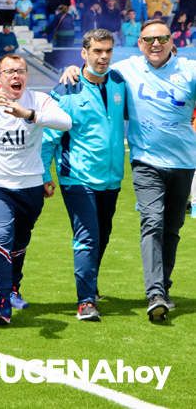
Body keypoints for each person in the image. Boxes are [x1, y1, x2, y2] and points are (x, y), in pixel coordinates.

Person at [59, 19, 196, 321]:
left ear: (173, 41)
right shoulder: (128, 71)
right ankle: (155, 293)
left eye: (162, 38)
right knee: (152, 222)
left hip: (184, 164)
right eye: (148, 40)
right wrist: (70, 70)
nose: (155, 44)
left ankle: (165, 286)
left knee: (172, 230)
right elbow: (94, 66)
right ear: (140, 44)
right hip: (145, 162)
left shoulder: (190, 70)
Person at [0, 54, 71, 325]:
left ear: (27, 76)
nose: (15, 76)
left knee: (19, 244)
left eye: (20, 71)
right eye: (9, 72)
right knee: (1, 238)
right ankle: (2, 303)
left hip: (30, 187)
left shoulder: (38, 100)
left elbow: (65, 122)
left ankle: (14, 286)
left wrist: (29, 115)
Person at [42, 29, 126, 321]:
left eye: (107, 51)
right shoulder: (67, 89)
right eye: (97, 51)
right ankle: (85, 301)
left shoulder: (118, 82)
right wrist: (44, 174)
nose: (102, 57)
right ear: (84, 53)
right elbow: (49, 138)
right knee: (88, 237)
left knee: (102, 236)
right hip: (76, 177)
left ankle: (91, 284)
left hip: (111, 177)